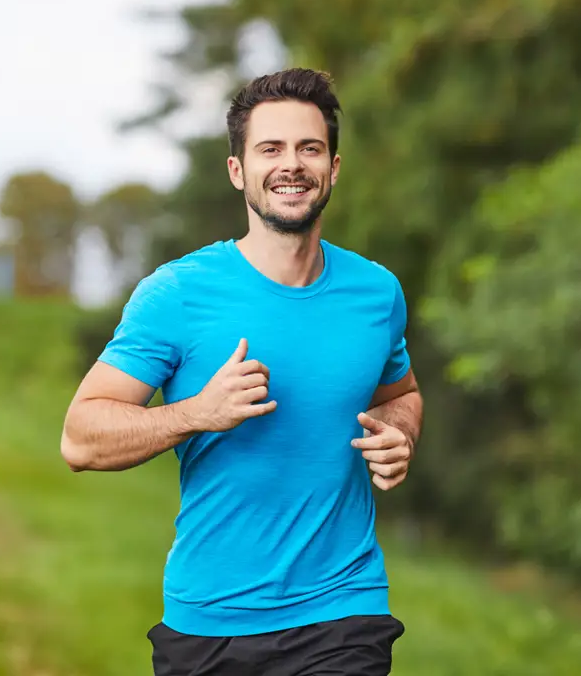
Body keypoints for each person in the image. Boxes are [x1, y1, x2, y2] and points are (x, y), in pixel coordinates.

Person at [60, 68, 424, 675]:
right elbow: (79, 437)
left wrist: (399, 433)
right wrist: (198, 413)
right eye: (270, 148)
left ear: (334, 167)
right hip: (210, 623)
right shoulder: (177, 293)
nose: (292, 164)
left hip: (344, 609)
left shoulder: (376, 293)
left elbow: (403, 392)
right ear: (238, 171)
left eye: (310, 148)